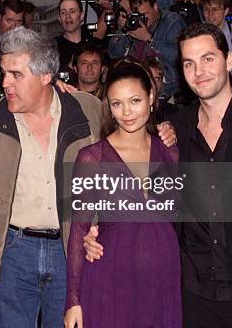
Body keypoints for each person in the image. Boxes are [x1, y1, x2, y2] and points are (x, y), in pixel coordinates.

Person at [84, 23, 232, 328]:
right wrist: (99, 232)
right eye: (189, 63)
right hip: (193, 297)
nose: (198, 71)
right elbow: (152, 202)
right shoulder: (175, 130)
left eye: (208, 59)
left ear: (229, 60)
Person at [0, 27, 103, 327]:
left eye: (16, 75)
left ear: (46, 76)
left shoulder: (89, 110)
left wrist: (166, 134)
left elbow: (125, 152)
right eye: (4, 73)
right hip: (12, 250)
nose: (5, 83)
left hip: (70, 248)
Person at [65, 59, 181, 328]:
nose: (126, 112)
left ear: (151, 98)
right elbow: (78, 231)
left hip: (164, 278)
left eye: (135, 101)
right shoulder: (92, 157)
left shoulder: (170, 151)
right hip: (110, 280)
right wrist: (73, 300)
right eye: (117, 103)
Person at [108, 0, 186, 98]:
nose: (141, 19)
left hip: (165, 89)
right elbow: (113, 53)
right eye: (138, 15)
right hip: (134, 85)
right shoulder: (134, 22)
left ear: (155, 6)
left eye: (144, 14)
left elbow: (178, 57)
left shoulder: (171, 21)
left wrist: (149, 39)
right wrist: (122, 29)